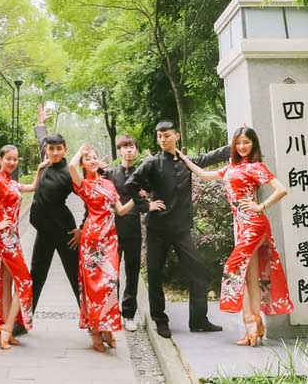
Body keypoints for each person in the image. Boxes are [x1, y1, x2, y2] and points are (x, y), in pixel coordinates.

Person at [178, 126, 293, 347]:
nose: (242, 147)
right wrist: (183, 158)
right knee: (250, 277)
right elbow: (203, 174)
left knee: (233, 268)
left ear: (253, 145)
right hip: (242, 226)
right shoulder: (231, 168)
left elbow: (281, 189)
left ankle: (251, 321)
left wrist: (261, 206)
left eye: (246, 143)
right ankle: (255, 326)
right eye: (238, 143)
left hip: (254, 225)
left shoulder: (256, 167)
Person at [124, 121, 230, 339]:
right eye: (159, 136)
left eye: (166, 136)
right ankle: (160, 321)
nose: (162, 140)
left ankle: (199, 320)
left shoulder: (186, 162)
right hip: (157, 229)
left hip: (181, 230)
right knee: (155, 275)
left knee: (199, 271)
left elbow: (210, 157)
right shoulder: (152, 163)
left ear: (177, 136)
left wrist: (235, 144)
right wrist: (146, 206)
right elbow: (131, 184)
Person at [69, 144, 139, 351]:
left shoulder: (108, 184)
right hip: (91, 239)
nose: (91, 160)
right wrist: (80, 151)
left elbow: (121, 210)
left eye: (94, 157)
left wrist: (138, 197)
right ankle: (95, 332)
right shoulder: (83, 184)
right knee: (92, 288)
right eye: (87, 158)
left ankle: (106, 326)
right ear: (83, 163)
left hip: (110, 239)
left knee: (109, 284)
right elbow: (71, 167)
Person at [0, 145, 47, 349]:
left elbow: (33, 187)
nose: (12, 162)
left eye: (15, 159)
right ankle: (8, 327)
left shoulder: (11, 182)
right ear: (0, 159)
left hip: (12, 237)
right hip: (5, 238)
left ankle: (3, 330)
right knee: (25, 281)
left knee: (6, 282)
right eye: (8, 158)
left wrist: (39, 169)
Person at [28, 105, 84, 321]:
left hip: (65, 233)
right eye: (51, 149)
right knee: (36, 275)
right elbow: (42, 138)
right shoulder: (46, 160)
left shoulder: (69, 173)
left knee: (75, 276)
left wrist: (82, 228)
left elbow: (91, 200)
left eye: (58, 149)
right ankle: (24, 320)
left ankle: (91, 321)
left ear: (65, 149)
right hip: (43, 230)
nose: (54, 152)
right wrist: (41, 122)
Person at [103, 134, 156, 331]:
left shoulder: (142, 174)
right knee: (112, 273)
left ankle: (128, 314)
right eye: (124, 147)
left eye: (132, 146)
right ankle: (110, 312)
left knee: (132, 272)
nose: (128, 150)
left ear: (136, 149)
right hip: (113, 229)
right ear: (119, 151)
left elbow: (148, 196)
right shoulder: (109, 174)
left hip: (133, 226)